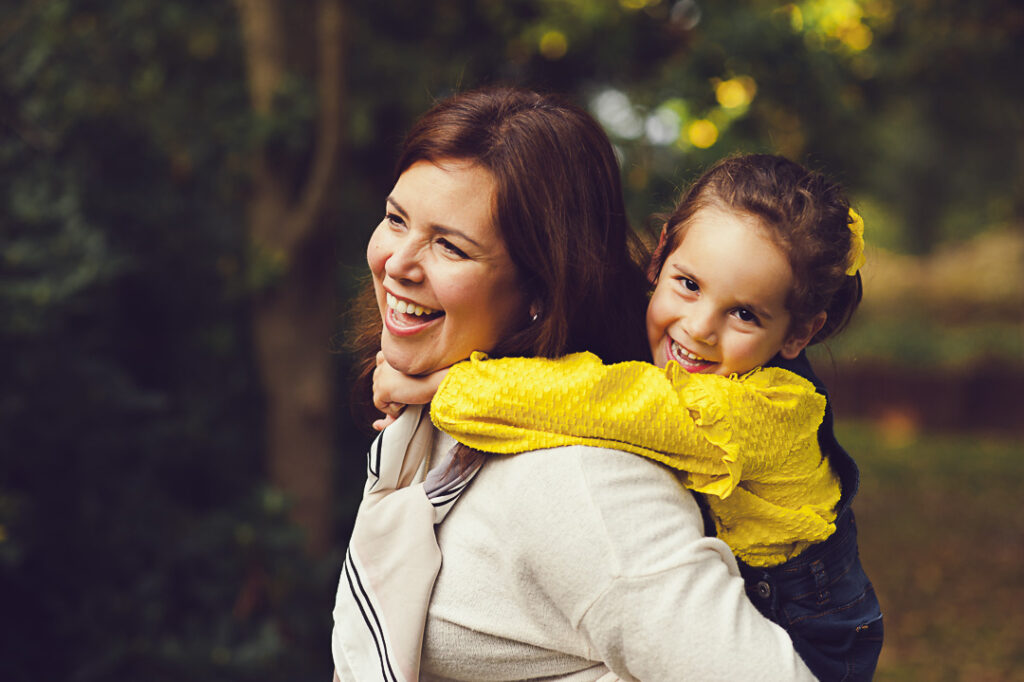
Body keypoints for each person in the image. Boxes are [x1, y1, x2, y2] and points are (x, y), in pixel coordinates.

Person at [332, 90, 816, 681]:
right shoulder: (443, 427)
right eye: (396, 219)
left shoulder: (585, 487)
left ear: (540, 289)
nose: (396, 263)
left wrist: (453, 388)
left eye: (450, 246)